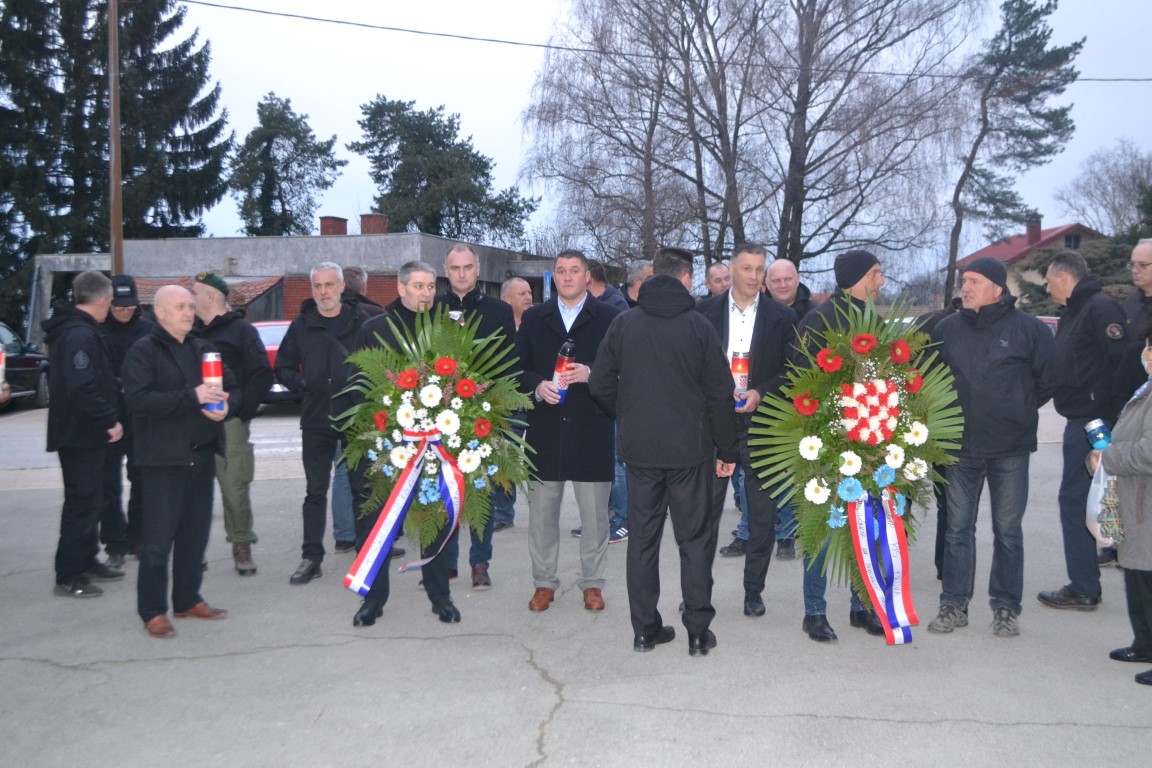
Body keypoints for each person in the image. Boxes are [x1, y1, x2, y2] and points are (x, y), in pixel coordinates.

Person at [590, 247, 739, 657]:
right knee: (694, 541)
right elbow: (720, 393)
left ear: (655, 275)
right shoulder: (699, 326)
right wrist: (728, 448)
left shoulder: (624, 323)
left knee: (642, 541)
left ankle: (644, 630)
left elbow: (599, 384)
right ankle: (698, 632)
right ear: (687, 279)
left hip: (640, 452)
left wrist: (629, 413)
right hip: (690, 452)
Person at [927, 257, 1056, 638]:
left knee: (1008, 531)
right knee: (957, 530)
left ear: (997, 289)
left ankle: (1005, 608)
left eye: (975, 281)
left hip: (1010, 448)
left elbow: (1048, 380)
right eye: (964, 281)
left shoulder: (1029, 330)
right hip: (959, 448)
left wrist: (1016, 410)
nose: (965, 288)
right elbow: (930, 380)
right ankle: (954, 604)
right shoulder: (947, 329)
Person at [123, 285, 238, 638]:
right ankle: (153, 611)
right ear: (160, 313)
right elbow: (139, 401)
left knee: (194, 535)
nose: (188, 312)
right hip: (163, 461)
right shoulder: (143, 351)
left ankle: (187, 599)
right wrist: (193, 396)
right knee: (158, 542)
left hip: (201, 456)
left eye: (190, 306)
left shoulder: (202, 348)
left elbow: (232, 385)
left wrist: (226, 406)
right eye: (180, 307)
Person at [347, 261, 458, 626]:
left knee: (434, 520)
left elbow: (460, 380)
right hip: (388, 444)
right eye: (419, 286)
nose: (426, 293)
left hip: (433, 445)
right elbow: (359, 386)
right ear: (401, 288)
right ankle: (373, 600)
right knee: (377, 522)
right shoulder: (375, 329)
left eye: (431, 286)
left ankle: (440, 596)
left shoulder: (446, 331)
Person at [518, 250, 622, 613]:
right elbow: (517, 367)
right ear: (554, 277)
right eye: (560, 271)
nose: (566, 277)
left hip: (591, 427)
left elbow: (622, 367)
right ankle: (544, 582)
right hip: (545, 430)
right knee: (542, 516)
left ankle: (592, 583)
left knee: (594, 517)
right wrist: (537, 386)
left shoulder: (609, 317)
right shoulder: (534, 318)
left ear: (587, 276)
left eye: (574, 270)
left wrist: (591, 373)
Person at [792, 250, 888, 641]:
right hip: (827, 442)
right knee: (823, 527)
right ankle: (814, 611)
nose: (881, 282)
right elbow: (800, 380)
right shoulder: (819, 320)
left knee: (867, 529)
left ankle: (862, 606)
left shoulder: (877, 322)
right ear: (855, 278)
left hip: (871, 442)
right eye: (875, 274)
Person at [697, 243, 796, 619]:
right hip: (714, 426)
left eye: (759, 269)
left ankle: (754, 590)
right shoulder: (703, 313)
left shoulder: (782, 317)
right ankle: (698, 591)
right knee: (703, 516)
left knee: (762, 516)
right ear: (731, 270)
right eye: (747, 269)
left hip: (764, 424)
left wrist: (760, 392)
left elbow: (792, 371)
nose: (754, 276)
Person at [1038, 251, 1128, 611]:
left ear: (1064, 277)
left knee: (1075, 500)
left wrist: (1111, 416)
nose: (1046, 288)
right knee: (1085, 500)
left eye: (1049, 281)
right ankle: (1087, 580)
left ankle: (1084, 587)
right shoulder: (1075, 312)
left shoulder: (1099, 308)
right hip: (1081, 419)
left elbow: (1122, 362)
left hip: (1095, 422)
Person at [275, 262, 371, 585]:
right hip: (316, 419)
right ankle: (311, 558)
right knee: (314, 492)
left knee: (361, 489)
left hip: (354, 418)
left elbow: (380, 364)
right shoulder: (301, 325)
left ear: (342, 287)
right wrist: (304, 384)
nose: (324, 291)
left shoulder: (361, 321)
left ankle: (365, 554)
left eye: (329, 285)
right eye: (317, 286)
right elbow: (283, 367)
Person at [437, 243, 517, 590]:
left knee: (481, 491)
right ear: (446, 270)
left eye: (467, 267)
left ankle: (480, 562)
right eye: (455, 268)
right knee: (444, 489)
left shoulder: (499, 310)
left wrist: (497, 401)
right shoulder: (433, 308)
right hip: (441, 412)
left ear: (478, 269)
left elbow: (510, 361)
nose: (461, 274)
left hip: (485, 412)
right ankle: (445, 562)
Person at [43, 270, 124, 598]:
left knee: (93, 499)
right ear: (103, 300)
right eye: (111, 301)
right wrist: (109, 419)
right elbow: (82, 386)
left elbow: (93, 378)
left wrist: (117, 388)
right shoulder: (79, 334)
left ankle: (87, 559)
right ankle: (69, 575)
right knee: (82, 502)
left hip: (84, 432)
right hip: (80, 433)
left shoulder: (78, 329)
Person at [191, 271, 273, 575]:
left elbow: (261, 374)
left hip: (229, 422)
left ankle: (241, 544)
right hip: (193, 422)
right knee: (191, 491)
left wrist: (239, 411)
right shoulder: (189, 331)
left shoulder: (241, 331)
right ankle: (192, 549)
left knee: (234, 488)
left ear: (211, 296)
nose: (190, 298)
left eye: (194, 292)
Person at [1095, 344, 1152, 686]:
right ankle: (1144, 644)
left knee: (1147, 576)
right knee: (1138, 574)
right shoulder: (1146, 388)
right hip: (1136, 499)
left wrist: (1109, 457)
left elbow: (1148, 451)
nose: (1145, 353)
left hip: (1145, 498)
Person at [101, 274, 154, 564]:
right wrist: (116, 384)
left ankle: (139, 536)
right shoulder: (97, 331)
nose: (124, 310)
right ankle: (115, 543)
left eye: (129, 305)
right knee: (107, 483)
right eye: (119, 305)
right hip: (108, 416)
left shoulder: (148, 330)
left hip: (140, 416)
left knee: (142, 478)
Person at [1109, 238, 1152, 567]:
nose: (1135, 270)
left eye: (1143, 265)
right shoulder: (1132, 303)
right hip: (1129, 403)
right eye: (1132, 264)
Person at [491, 276, 534, 533]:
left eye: (529, 292)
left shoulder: (537, 324)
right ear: (507, 299)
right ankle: (504, 512)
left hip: (537, 400)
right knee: (505, 457)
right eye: (522, 294)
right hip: (508, 404)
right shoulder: (497, 329)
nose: (528, 297)